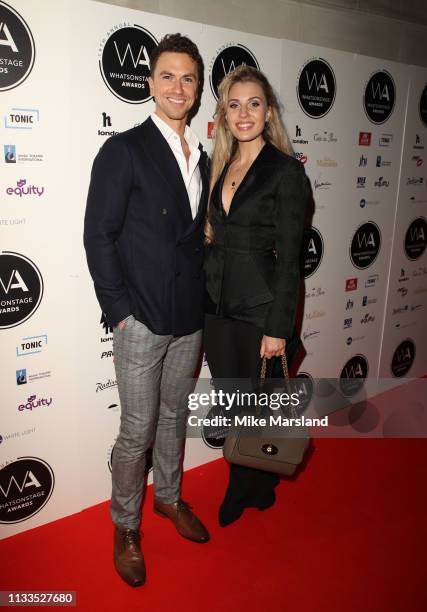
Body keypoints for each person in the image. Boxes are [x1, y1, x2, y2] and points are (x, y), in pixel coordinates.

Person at [84, 34, 210, 587]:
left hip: (188, 317)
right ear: (151, 83)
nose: (178, 87)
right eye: (168, 76)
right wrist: (119, 311)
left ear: (198, 86)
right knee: (136, 430)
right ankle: (126, 526)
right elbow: (98, 234)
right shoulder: (125, 150)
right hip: (140, 320)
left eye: (188, 77)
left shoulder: (202, 156)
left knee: (174, 418)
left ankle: (169, 499)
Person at [203, 65, 310, 527]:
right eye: (234, 104)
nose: (243, 113)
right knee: (235, 401)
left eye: (254, 104)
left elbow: (290, 261)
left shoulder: (285, 173)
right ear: (224, 114)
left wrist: (278, 328)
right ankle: (261, 487)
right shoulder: (221, 165)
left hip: (260, 308)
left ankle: (242, 488)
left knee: (255, 406)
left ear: (268, 114)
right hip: (217, 307)